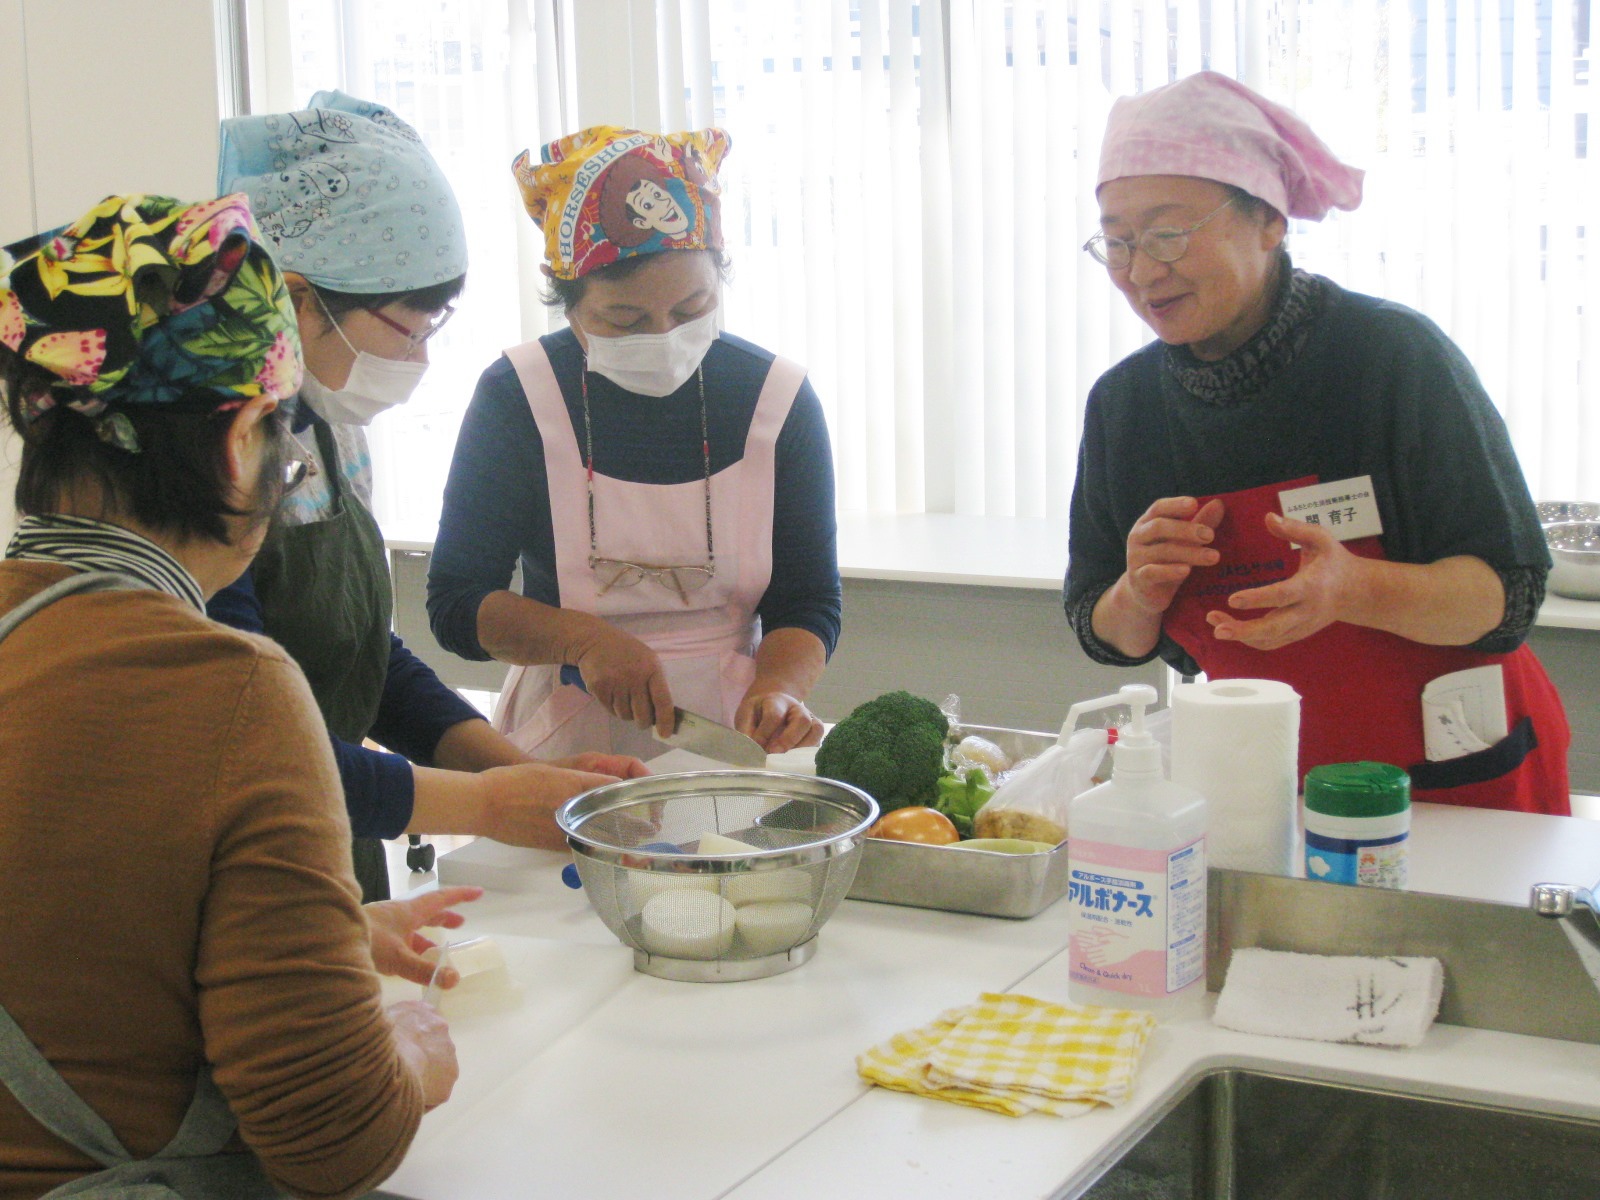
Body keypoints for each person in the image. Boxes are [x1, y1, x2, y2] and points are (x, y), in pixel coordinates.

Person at [0, 193, 456, 1196]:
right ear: (242, 435)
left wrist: (310, 940)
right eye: (285, 449)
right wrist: (411, 1050)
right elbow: (332, 1139)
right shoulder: (230, 690)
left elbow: (78, 943)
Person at [1065, 71, 1570, 814]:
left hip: (1451, 774)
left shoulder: (1392, 357)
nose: (1141, 271)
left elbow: (1508, 595)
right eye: (1116, 242)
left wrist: (1357, 589)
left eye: (1168, 234)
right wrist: (1138, 591)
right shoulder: (1125, 405)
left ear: (1269, 221)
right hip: (1255, 778)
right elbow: (1104, 629)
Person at [210, 92, 644, 902]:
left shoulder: (328, 431)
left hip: (334, 836)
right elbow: (244, 742)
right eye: (408, 328)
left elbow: (362, 661)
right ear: (299, 299)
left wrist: (524, 774)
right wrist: (487, 804)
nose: (420, 358)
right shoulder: (208, 463)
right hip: (236, 859)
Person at [426, 126, 841, 760]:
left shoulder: (777, 400)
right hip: (565, 730)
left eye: (692, 306)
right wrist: (582, 641)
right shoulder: (519, 397)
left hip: (732, 732)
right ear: (565, 297)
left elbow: (807, 600)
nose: (664, 336)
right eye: (624, 320)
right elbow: (456, 602)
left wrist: (780, 687)